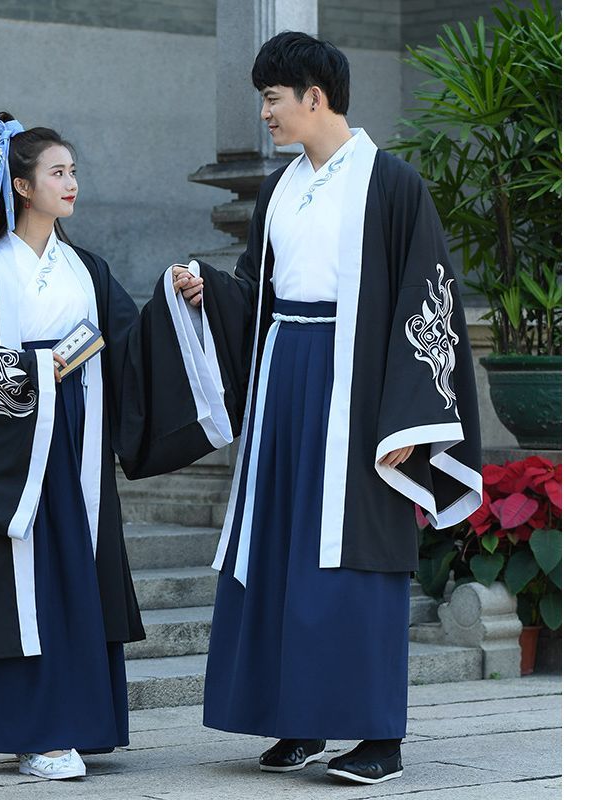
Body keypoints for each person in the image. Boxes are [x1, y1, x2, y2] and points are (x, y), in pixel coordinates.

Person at [156, 32, 483, 784]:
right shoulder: (280, 188)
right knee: (279, 541)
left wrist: (407, 416)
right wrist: (214, 291)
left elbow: (427, 299)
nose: (265, 114)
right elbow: (259, 288)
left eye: (273, 99)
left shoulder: (392, 183)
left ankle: (376, 736)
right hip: (284, 374)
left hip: (359, 385)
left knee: (354, 550)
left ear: (315, 95)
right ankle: (296, 721)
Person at [0, 112, 152, 780]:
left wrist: (183, 302)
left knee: (80, 569)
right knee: (33, 577)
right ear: (21, 186)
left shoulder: (88, 269)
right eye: (58, 172)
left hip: (81, 439)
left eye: (73, 171)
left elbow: (134, 343)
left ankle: (82, 723)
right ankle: (36, 733)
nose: (71, 182)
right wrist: (26, 371)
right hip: (21, 448)